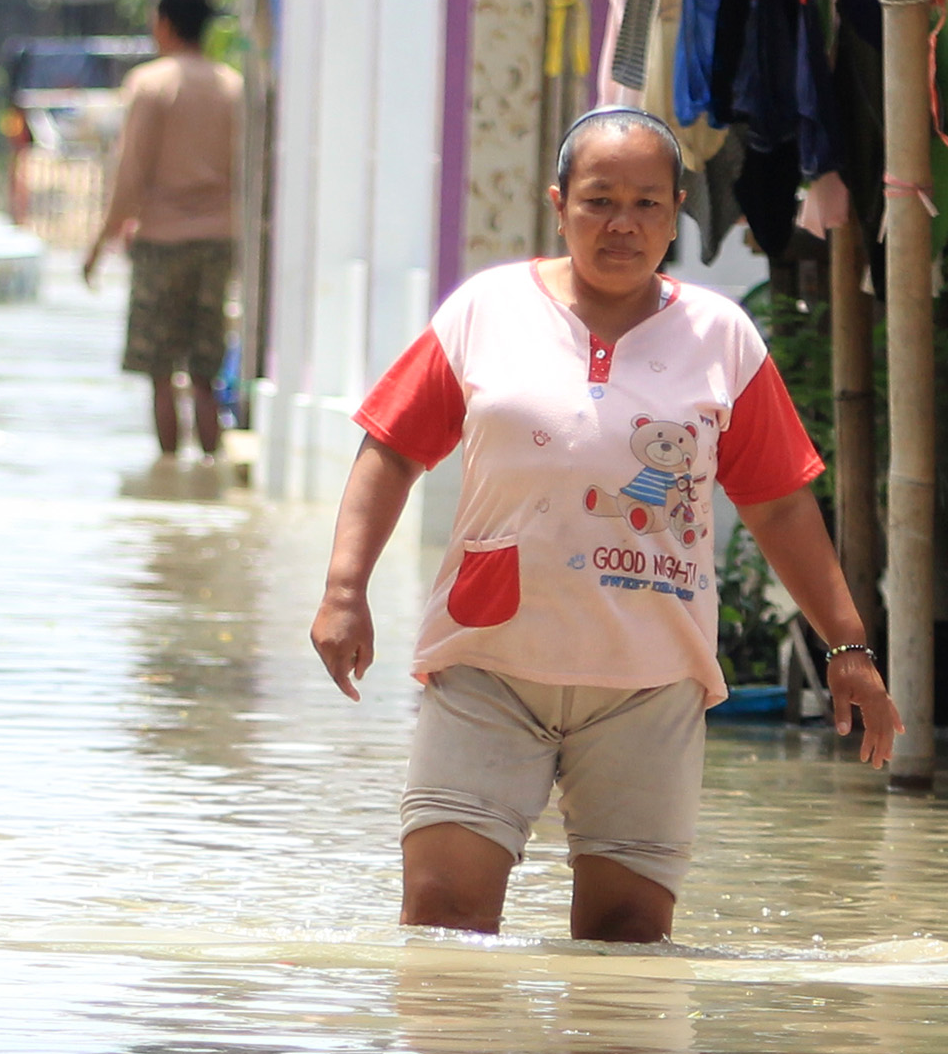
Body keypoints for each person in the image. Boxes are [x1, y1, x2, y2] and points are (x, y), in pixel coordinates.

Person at [307, 107, 899, 943]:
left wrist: (847, 645)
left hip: (649, 679)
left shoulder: (722, 337)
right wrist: (344, 591)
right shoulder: (485, 311)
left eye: (647, 204)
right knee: (443, 921)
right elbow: (393, 449)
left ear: (678, 210)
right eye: (599, 201)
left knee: (626, 941)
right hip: (488, 661)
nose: (623, 223)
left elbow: (777, 503)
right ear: (560, 206)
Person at [83, 0, 242, 458]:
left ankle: (167, 472)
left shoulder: (150, 85)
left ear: (166, 23)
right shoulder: (232, 87)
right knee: (205, 374)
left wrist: (100, 244)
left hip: (161, 242)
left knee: (160, 373)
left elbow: (130, 174)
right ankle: (210, 472)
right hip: (217, 240)